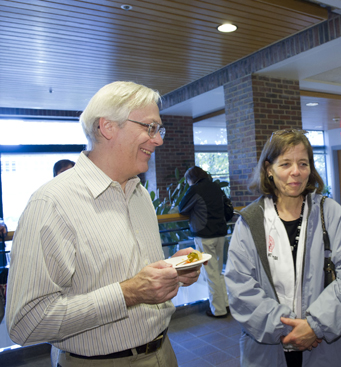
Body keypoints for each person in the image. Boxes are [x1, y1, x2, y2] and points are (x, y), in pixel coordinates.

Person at [6, 81, 201, 367]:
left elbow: (133, 272)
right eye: (149, 128)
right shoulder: (51, 204)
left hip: (164, 352)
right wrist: (128, 293)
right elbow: (25, 323)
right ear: (108, 127)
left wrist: (171, 269)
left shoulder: (139, 194)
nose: (158, 140)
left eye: (159, 130)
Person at [224, 129, 341, 367]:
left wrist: (314, 326)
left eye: (303, 163)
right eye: (286, 164)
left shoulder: (330, 213)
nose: (296, 172)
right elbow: (240, 288)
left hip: (323, 347)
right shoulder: (251, 221)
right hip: (267, 351)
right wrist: (287, 329)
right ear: (269, 169)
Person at [178, 166, 233, 318]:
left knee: (210, 274)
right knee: (218, 272)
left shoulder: (195, 189)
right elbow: (227, 207)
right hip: (220, 233)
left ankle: (218, 310)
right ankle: (225, 304)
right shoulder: (215, 187)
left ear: (191, 178)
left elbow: (182, 208)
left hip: (204, 235)